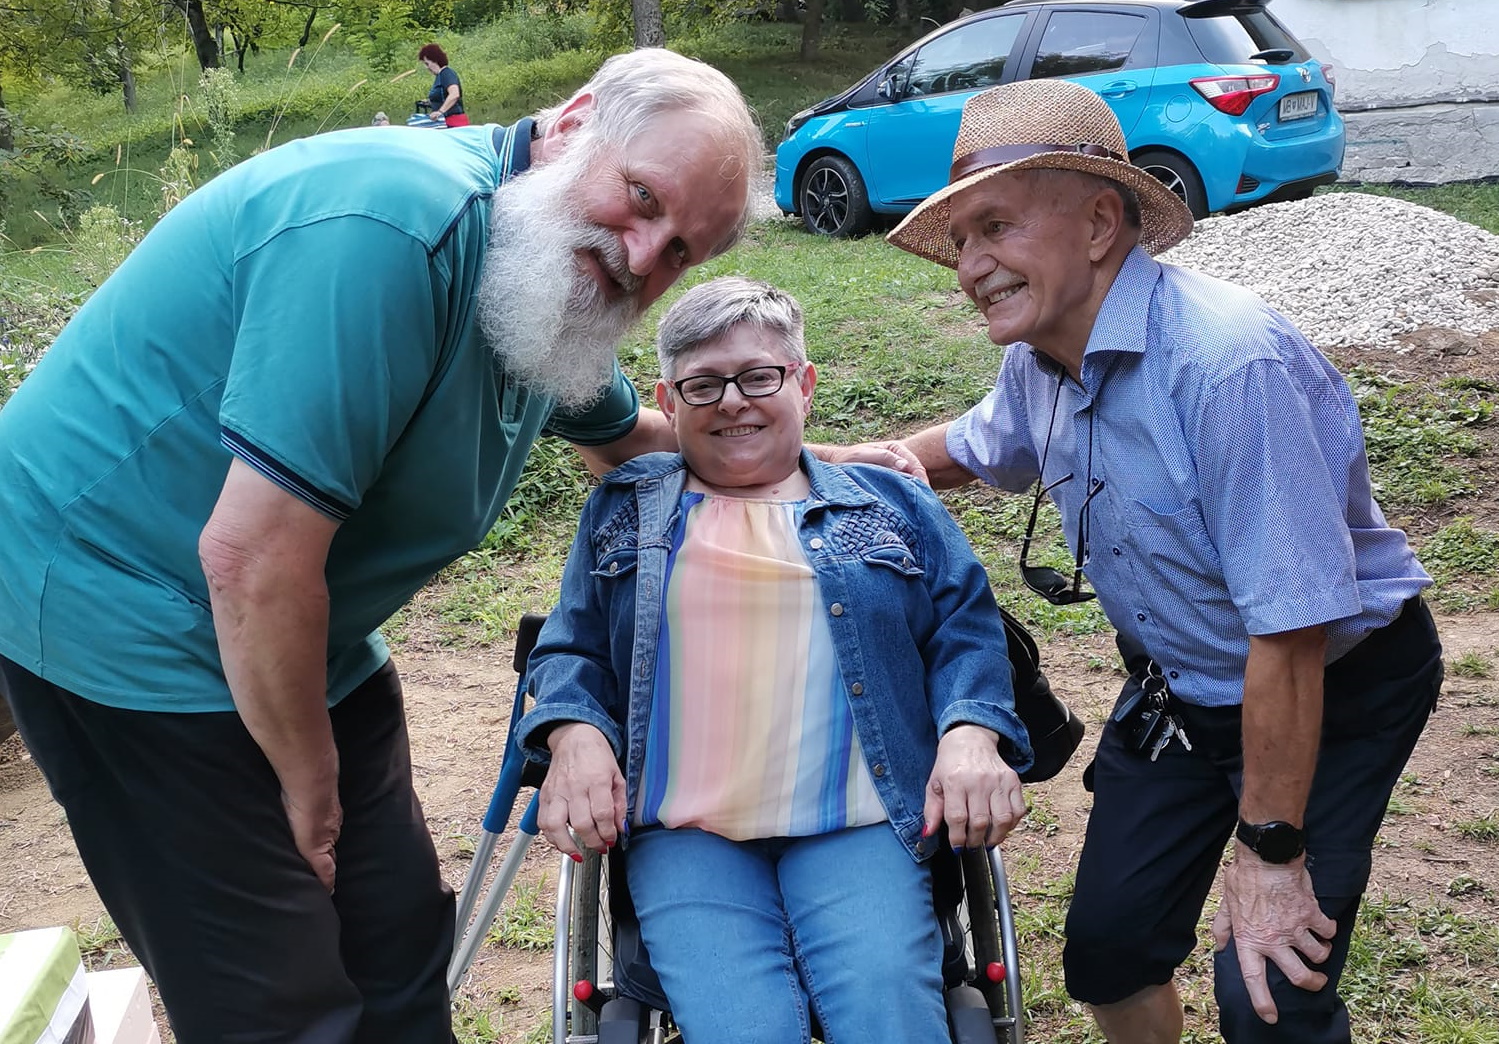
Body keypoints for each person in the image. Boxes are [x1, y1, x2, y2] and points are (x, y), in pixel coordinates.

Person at [0, 48, 917, 1044]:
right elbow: (252, 558)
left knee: (396, 941)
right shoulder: (390, 225)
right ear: (573, 124)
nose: (643, 256)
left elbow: (637, 442)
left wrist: (834, 461)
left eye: (682, 251)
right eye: (641, 198)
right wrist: (308, 789)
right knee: (276, 996)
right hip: (119, 611)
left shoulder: (539, 273)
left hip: (305, 624)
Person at [885, 79, 1443, 1043]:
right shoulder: (1043, 358)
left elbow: (1293, 630)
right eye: (962, 240)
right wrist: (787, 464)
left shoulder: (1227, 366)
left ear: (1101, 222)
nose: (971, 265)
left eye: (997, 228)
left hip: (1334, 683)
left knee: (1268, 992)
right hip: (1186, 688)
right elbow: (976, 449)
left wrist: (1271, 853)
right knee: (1109, 952)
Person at [515, 276, 1035, 1044]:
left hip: (856, 819)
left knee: (888, 1015)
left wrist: (970, 731)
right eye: (703, 385)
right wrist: (572, 733)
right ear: (669, 396)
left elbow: (966, 626)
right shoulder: (625, 507)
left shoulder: (889, 503)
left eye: (759, 376)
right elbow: (571, 645)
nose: (733, 401)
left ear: (804, 385)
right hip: (687, 831)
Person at [418, 43, 467, 126]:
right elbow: (443, 96)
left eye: (427, 64)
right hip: (444, 122)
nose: (427, 67)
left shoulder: (447, 73)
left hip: (453, 121)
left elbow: (454, 94)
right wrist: (430, 102)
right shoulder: (439, 76)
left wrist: (440, 112)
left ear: (435, 60)